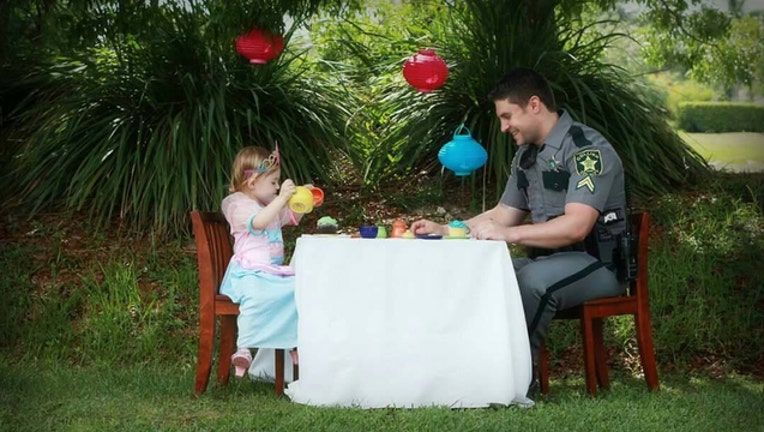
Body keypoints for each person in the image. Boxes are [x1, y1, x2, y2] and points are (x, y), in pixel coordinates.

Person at [411, 68, 629, 385]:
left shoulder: (587, 150)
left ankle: (513, 381)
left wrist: (509, 235)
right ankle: (468, 372)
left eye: (507, 116)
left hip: (599, 265)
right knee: (491, 275)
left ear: (534, 105)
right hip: (553, 262)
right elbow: (502, 214)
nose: (503, 127)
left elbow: (577, 227)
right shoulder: (526, 157)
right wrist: (446, 230)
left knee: (531, 281)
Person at [219, 145, 304, 378]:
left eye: (278, 183)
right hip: (247, 273)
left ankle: (292, 343)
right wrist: (282, 198)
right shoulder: (237, 205)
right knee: (254, 297)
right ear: (253, 182)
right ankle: (244, 347)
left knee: (297, 291)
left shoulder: (268, 205)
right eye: (273, 182)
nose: (277, 188)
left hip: (271, 272)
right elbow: (259, 222)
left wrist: (302, 200)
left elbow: (289, 215)